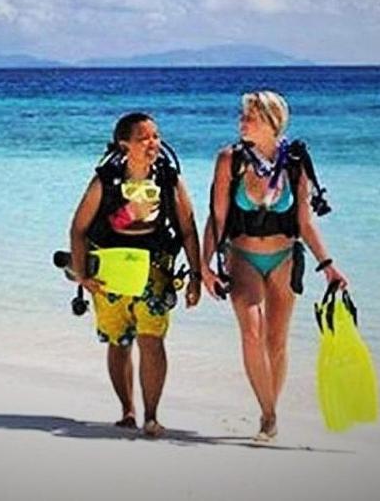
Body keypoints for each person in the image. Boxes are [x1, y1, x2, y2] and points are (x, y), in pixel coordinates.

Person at [201, 91, 349, 442]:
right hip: (242, 256)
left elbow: (306, 222)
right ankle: (269, 416)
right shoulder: (230, 160)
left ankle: (271, 409)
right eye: (242, 115)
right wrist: (204, 266)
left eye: (249, 116)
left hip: (284, 257)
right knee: (252, 333)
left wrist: (328, 265)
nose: (241, 122)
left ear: (271, 121)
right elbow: (217, 216)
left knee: (277, 341)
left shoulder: (295, 161)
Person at [68, 112, 203, 438]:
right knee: (118, 341)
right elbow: (78, 229)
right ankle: (127, 410)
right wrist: (83, 275)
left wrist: (197, 275)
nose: (153, 143)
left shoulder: (168, 180)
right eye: (144, 138)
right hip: (110, 274)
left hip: (154, 269)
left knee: (152, 340)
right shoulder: (106, 180)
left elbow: (188, 229)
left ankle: (152, 416)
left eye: (156, 136)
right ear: (123, 144)